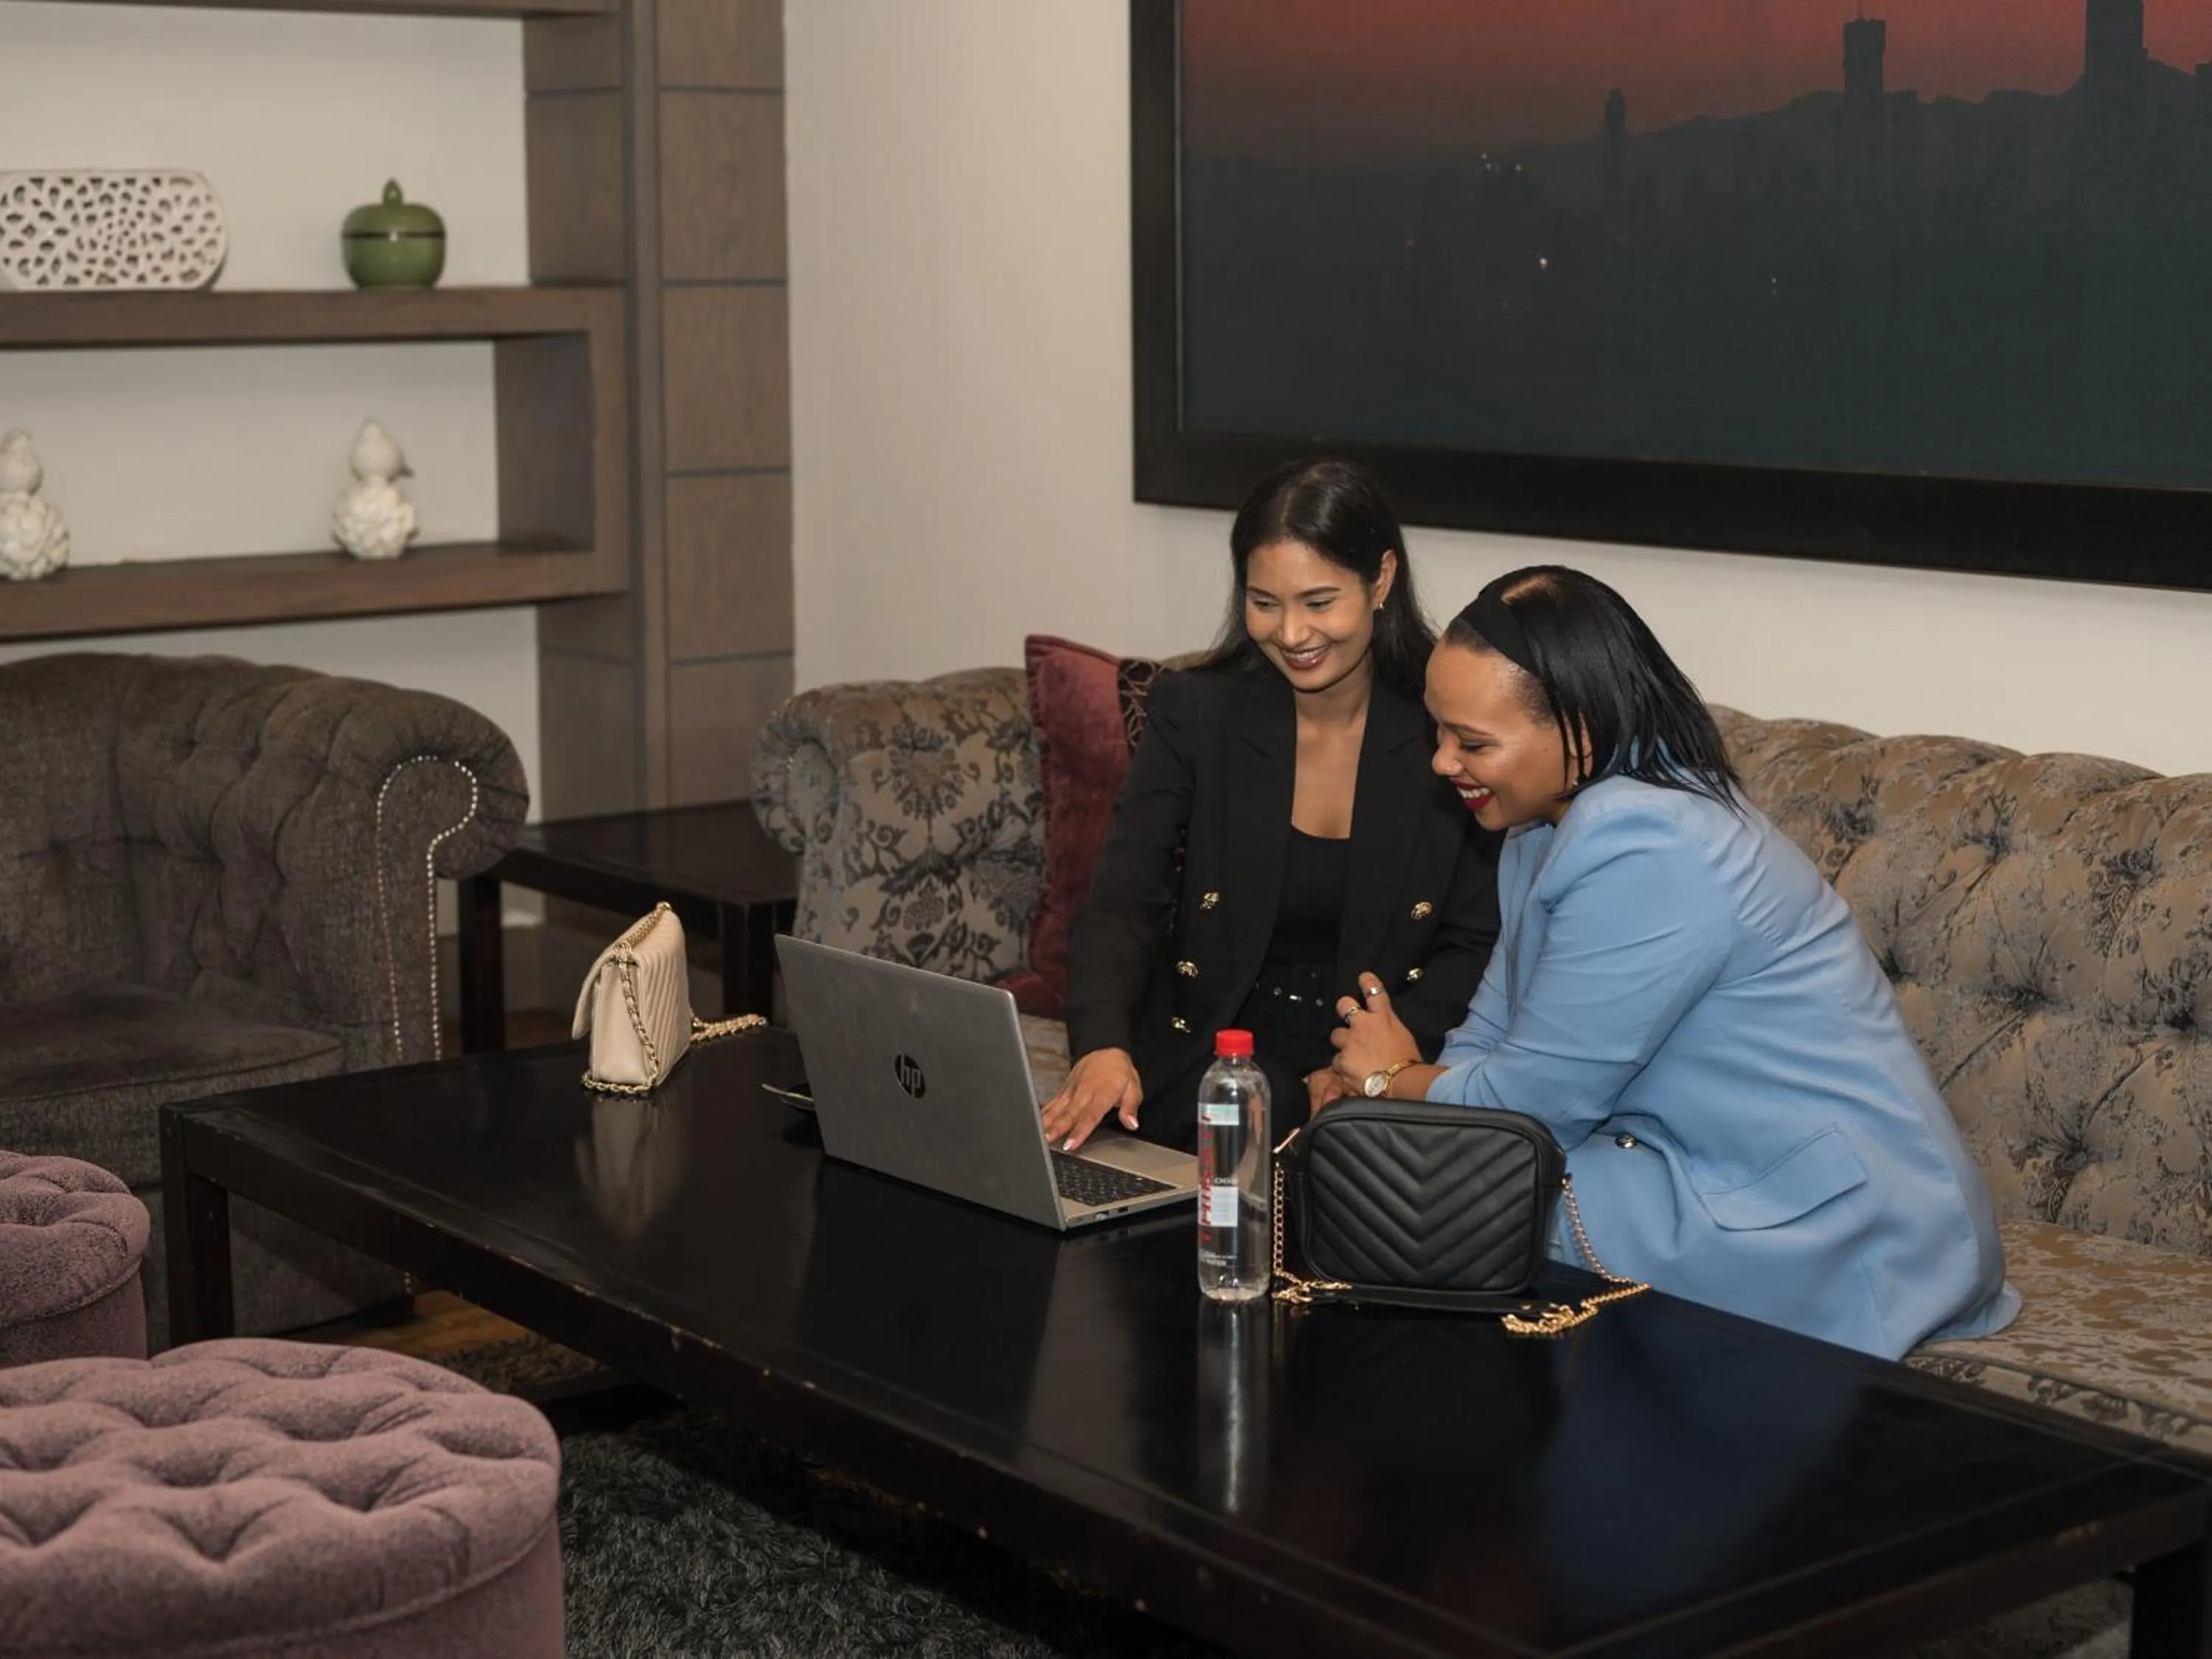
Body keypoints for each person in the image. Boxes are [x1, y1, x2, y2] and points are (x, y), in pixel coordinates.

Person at [1326, 565, 2019, 1360]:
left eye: (1473, 742)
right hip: (1701, 1169)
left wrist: (1388, 1079)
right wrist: (1418, 1094)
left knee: (1424, 1217)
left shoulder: (1648, 842)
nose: (1443, 763)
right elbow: (1492, 1034)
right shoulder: (1544, 826)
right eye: (1438, 733)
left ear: (1580, 732)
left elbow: (1530, 1106)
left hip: (1834, 1219)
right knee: (1404, 1199)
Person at [1039, 457, 1501, 1155]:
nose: (1291, 634)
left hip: (1375, 1060)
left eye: (1319, 603)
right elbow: (1123, 902)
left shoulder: (1446, 726)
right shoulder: (1198, 712)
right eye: (1264, 603)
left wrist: (1375, 1069)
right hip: (1206, 1055)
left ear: (1381, 579)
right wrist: (1102, 1045)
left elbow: (1474, 940)